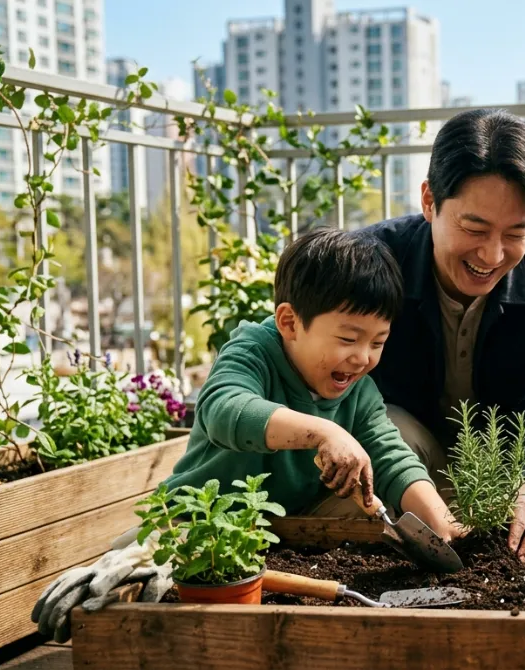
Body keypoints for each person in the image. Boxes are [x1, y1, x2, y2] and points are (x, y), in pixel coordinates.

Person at [32, 228, 460, 642]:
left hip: (288, 527)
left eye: (378, 342)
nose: (363, 357)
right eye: (349, 338)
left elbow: (389, 455)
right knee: (149, 560)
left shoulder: (358, 389)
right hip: (203, 520)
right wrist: (323, 432)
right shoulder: (253, 351)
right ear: (290, 322)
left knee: (376, 512)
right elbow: (224, 408)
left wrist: (442, 525)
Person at [362, 108, 525, 563]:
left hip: (512, 466)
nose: (493, 254)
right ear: (428, 201)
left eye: (516, 232)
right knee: (384, 421)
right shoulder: (374, 262)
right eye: (474, 228)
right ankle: (421, 542)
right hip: (408, 464)